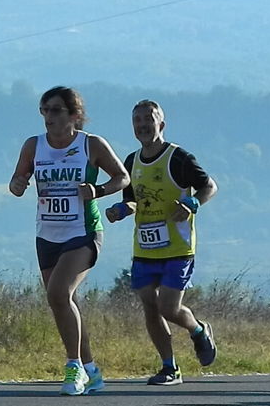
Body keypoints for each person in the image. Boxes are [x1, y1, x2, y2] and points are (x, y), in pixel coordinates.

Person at [10, 86, 130, 395]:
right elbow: (16, 183)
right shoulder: (33, 146)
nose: (48, 116)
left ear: (74, 115)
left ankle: (74, 367)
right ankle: (93, 371)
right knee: (65, 302)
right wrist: (19, 183)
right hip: (47, 234)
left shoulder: (91, 145)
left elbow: (123, 177)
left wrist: (99, 190)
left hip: (83, 232)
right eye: (44, 110)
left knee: (58, 294)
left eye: (55, 110)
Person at [105, 99, 218, 386]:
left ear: (161, 124)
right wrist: (122, 210)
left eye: (148, 119)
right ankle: (169, 368)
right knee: (150, 307)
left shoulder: (179, 158)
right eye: (137, 121)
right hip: (145, 246)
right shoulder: (130, 162)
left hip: (178, 247)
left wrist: (192, 203)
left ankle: (198, 331)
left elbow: (209, 186)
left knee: (169, 307)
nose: (143, 125)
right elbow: (131, 199)